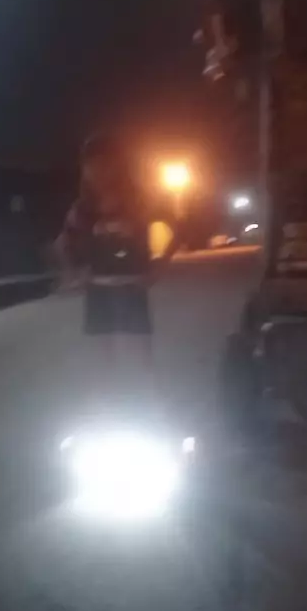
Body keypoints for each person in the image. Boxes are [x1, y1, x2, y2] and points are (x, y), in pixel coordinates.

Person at [55, 133, 179, 410]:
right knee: (102, 366)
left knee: (142, 362)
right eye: (90, 165)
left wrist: (161, 264)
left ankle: (152, 412)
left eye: (104, 163)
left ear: (117, 165)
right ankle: (106, 414)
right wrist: (73, 271)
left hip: (133, 288)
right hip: (98, 291)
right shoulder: (82, 209)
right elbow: (63, 242)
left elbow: (175, 228)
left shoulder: (140, 201)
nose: (97, 171)